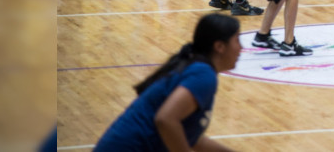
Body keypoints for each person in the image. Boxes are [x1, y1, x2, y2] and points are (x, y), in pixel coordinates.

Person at [94, 13, 241, 151]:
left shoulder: (195, 66)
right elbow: (166, 119)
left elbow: (192, 139)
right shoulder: (204, 75)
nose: (242, 48)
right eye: (237, 40)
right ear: (219, 47)